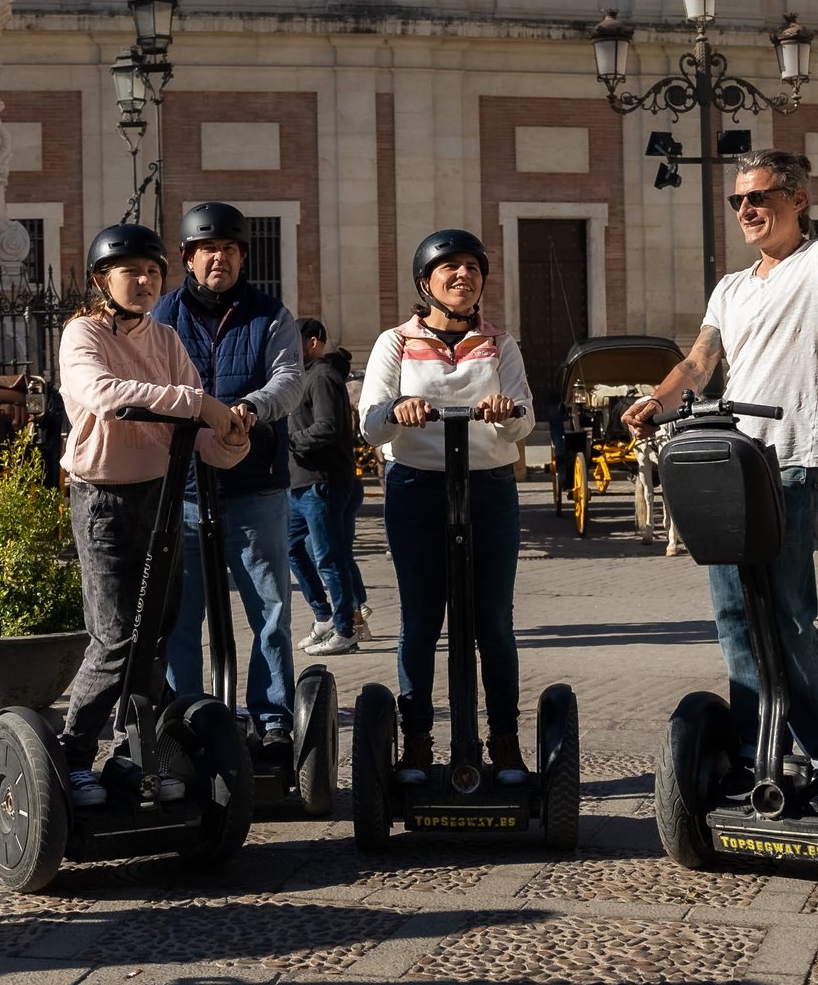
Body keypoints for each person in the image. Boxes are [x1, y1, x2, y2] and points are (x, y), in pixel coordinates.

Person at [622, 137, 818, 815]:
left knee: (788, 611)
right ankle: (759, 744)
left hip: (792, 460)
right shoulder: (730, 288)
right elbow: (700, 364)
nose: (745, 209)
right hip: (731, 463)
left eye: (758, 196)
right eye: (738, 200)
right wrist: (656, 399)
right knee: (733, 614)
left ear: (796, 200)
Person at [55, 223, 249, 808]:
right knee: (115, 639)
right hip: (103, 501)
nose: (143, 282)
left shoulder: (164, 339)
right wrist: (203, 407)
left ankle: (130, 753)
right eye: (130, 271)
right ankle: (72, 755)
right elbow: (109, 396)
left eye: (152, 272)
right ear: (101, 279)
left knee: (157, 636)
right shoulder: (81, 334)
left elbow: (197, 430)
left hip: (160, 498)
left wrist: (231, 437)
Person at [360, 228, 535, 785]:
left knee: (494, 622)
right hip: (417, 488)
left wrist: (505, 410)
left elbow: (525, 421)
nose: (463, 276)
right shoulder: (394, 342)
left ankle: (503, 741)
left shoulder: (501, 343)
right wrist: (398, 407)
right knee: (420, 621)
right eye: (449, 268)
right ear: (424, 282)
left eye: (472, 268)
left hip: (487, 488)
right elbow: (367, 423)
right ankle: (415, 742)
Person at [154, 202, 304, 756]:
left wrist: (248, 407)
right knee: (181, 614)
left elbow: (289, 380)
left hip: (255, 487)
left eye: (229, 250)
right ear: (188, 258)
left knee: (270, 612)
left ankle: (272, 720)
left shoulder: (270, 315)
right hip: (181, 489)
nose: (219, 259)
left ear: (243, 255)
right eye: (206, 250)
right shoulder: (161, 318)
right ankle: (188, 719)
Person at [288, 317, 373, 656]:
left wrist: (290, 442)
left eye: (294, 340)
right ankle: (324, 616)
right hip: (298, 483)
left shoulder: (322, 377)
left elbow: (327, 427)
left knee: (328, 557)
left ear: (313, 342)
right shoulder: (299, 377)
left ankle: (345, 628)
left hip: (322, 483)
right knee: (292, 547)